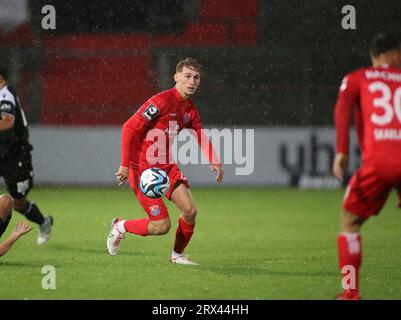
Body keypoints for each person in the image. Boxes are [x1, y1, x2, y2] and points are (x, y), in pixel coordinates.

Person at [107, 58, 223, 265]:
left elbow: (200, 136)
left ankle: (177, 255)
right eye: (187, 76)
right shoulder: (161, 101)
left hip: (165, 166)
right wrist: (124, 164)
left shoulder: (190, 110)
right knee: (161, 226)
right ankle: (121, 226)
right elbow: (129, 128)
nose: (192, 81)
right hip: (141, 169)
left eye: (196, 77)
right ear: (176, 77)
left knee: (190, 211)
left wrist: (215, 161)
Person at [333, 33, 401, 300]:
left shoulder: (358, 78)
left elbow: (342, 109)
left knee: (350, 222)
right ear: (394, 54)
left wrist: (342, 152)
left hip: (380, 162)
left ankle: (351, 293)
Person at [0, 64, 53, 245]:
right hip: (3, 155)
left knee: (18, 203)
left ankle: (43, 222)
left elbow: (7, 122)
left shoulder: (5, 94)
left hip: (16, 158)